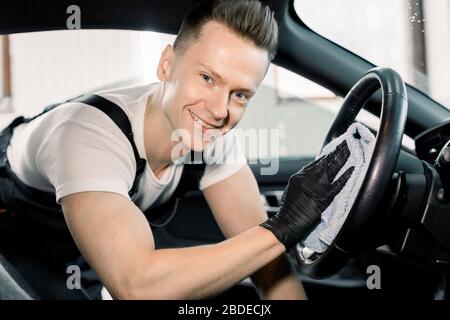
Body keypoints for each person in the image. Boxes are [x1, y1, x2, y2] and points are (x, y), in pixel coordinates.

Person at [0, 0, 353, 299]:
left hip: (88, 244)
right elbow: (136, 285)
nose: (219, 110)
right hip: (16, 234)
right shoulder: (89, 135)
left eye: (240, 94)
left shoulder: (213, 140)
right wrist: (284, 226)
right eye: (207, 78)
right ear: (166, 65)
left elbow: (267, 261)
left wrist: (278, 233)